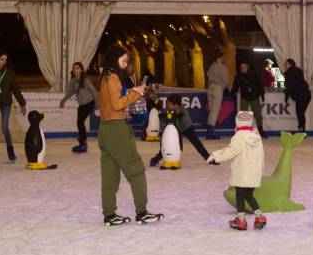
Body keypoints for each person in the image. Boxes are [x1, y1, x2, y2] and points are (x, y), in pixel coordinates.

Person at [97, 46, 163, 226]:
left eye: (127, 61)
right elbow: (118, 104)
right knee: (136, 170)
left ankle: (109, 214)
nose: (126, 65)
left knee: (110, 175)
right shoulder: (113, 78)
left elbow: (111, 104)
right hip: (117, 130)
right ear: (114, 59)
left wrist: (132, 91)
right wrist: (135, 93)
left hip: (106, 129)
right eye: (123, 61)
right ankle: (142, 212)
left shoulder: (105, 77)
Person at [207, 111, 267, 231]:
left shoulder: (239, 137)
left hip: (242, 173)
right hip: (254, 173)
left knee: (240, 195)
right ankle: (260, 216)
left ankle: (241, 220)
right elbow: (261, 155)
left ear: (238, 122)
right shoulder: (256, 136)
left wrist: (216, 156)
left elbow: (230, 152)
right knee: (249, 195)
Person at [149, 94, 217, 167]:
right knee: (167, 143)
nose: (167, 106)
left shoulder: (181, 112)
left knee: (197, 143)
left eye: (169, 104)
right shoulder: (172, 109)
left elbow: (175, 118)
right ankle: (157, 158)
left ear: (175, 105)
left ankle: (208, 158)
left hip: (187, 128)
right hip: (176, 129)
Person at [60, 62, 98, 153]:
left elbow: (93, 90)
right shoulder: (73, 80)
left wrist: (96, 103)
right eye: (74, 68)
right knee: (79, 123)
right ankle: (83, 143)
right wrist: (64, 100)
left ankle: (83, 143)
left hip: (89, 103)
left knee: (80, 122)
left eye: (77, 68)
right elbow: (70, 92)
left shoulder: (85, 79)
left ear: (81, 70)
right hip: (82, 105)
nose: (75, 70)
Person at [230, 61, 266, 138]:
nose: (242, 69)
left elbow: (259, 84)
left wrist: (262, 94)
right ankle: (243, 131)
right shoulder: (239, 76)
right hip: (244, 98)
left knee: (258, 115)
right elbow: (235, 86)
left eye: (244, 67)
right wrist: (232, 92)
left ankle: (260, 129)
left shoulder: (254, 75)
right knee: (243, 115)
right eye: (241, 68)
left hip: (254, 97)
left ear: (248, 67)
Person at [282, 58, 312, 133]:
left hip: (302, 95)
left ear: (290, 64)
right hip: (306, 94)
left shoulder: (290, 73)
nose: (284, 65)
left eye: (285, 64)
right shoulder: (297, 71)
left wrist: (286, 97)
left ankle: (302, 130)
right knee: (300, 112)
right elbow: (295, 84)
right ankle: (302, 129)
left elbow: (290, 86)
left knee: (300, 112)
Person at [205, 54, 229, 139]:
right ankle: (210, 131)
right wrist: (227, 86)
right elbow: (226, 80)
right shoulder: (223, 67)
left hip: (210, 88)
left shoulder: (212, 66)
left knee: (212, 110)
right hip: (218, 88)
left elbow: (208, 76)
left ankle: (210, 130)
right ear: (221, 58)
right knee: (215, 110)